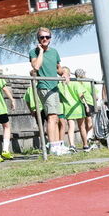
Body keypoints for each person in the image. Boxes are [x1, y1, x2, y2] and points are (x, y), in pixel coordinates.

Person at [30, 27, 66, 156]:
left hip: (55, 86)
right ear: (38, 39)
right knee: (51, 117)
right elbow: (36, 66)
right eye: (42, 37)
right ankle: (53, 146)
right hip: (44, 86)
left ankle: (57, 145)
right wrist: (40, 51)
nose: (45, 39)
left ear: (50, 38)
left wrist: (65, 73)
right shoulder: (33, 52)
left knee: (56, 118)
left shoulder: (54, 52)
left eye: (47, 37)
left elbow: (59, 68)